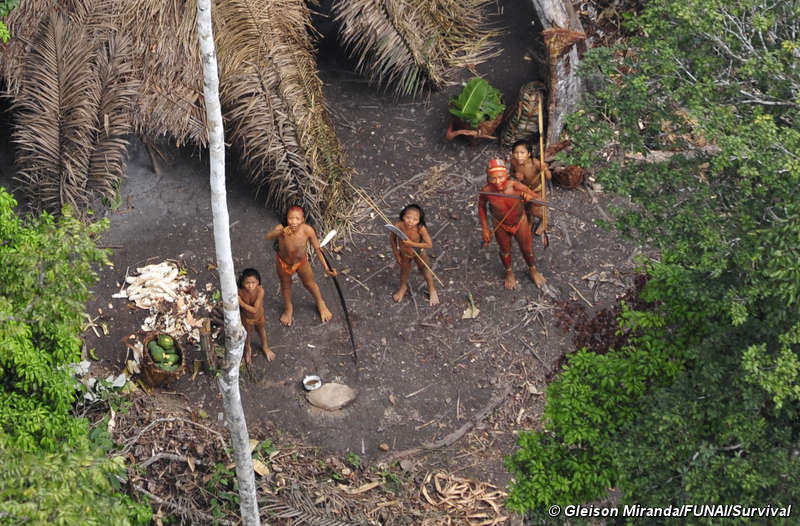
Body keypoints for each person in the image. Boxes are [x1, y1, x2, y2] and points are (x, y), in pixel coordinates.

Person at [478, 158, 546, 290]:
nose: (497, 182)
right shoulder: (486, 191)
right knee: (504, 251)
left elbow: (540, 201)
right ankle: (509, 272)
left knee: (527, 249)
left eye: (501, 178)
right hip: (500, 224)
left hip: (520, 222)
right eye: (493, 178)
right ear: (488, 178)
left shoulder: (516, 187)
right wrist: (485, 228)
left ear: (507, 176)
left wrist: (530, 198)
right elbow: (481, 206)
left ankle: (532, 269)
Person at [265, 206, 337, 326]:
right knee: (285, 285)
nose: (293, 222)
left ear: (303, 220)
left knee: (310, 283)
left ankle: (320, 303)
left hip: (301, 262)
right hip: (283, 263)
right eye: (290, 218)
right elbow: (268, 236)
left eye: (297, 219)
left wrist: (326, 268)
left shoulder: (307, 231)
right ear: (286, 219)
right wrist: (281, 232)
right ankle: (288, 308)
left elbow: (318, 250)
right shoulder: (281, 229)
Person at [389, 204, 439, 306]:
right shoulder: (398, 226)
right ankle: (403, 287)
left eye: (415, 219)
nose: (410, 221)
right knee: (404, 271)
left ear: (419, 221)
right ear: (403, 216)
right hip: (405, 254)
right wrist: (396, 254)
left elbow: (429, 244)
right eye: (408, 217)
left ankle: (432, 289)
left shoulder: (420, 228)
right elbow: (392, 240)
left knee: (425, 269)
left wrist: (412, 244)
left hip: (419, 253)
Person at [508, 139, 551, 237]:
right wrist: (516, 175)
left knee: (535, 209)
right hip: (524, 189)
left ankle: (544, 219)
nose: (519, 156)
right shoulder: (514, 162)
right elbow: (511, 173)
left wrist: (545, 170)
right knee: (526, 208)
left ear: (529, 154)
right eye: (516, 153)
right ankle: (530, 221)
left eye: (522, 153)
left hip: (537, 190)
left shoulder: (535, 164)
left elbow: (549, 177)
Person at [237, 268, 275, 364]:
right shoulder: (240, 291)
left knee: (261, 331)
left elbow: (255, 310)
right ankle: (247, 349)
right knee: (247, 334)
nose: (250, 286)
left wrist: (241, 303)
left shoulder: (260, 291)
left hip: (258, 316)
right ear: (242, 283)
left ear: (258, 282)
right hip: (246, 318)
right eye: (247, 283)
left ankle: (265, 346)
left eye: (253, 282)